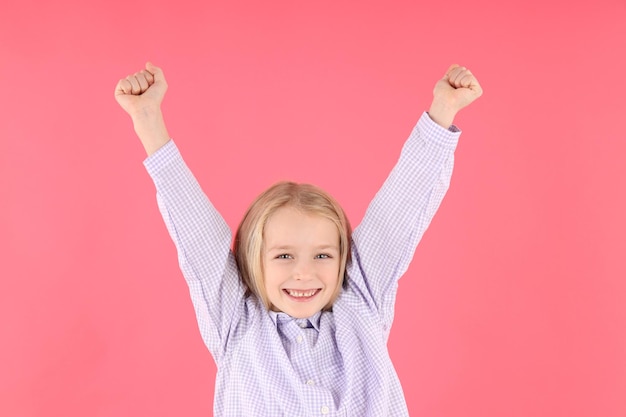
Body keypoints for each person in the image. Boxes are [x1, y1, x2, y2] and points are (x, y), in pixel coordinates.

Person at [115, 62, 482, 416]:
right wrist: (149, 121)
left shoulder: (360, 300)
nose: (304, 273)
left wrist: (443, 109)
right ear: (252, 261)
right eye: (284, 256)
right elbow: (196, 232)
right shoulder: (237, 323)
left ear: (343, 260)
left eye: (322, 256)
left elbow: (398, 209)